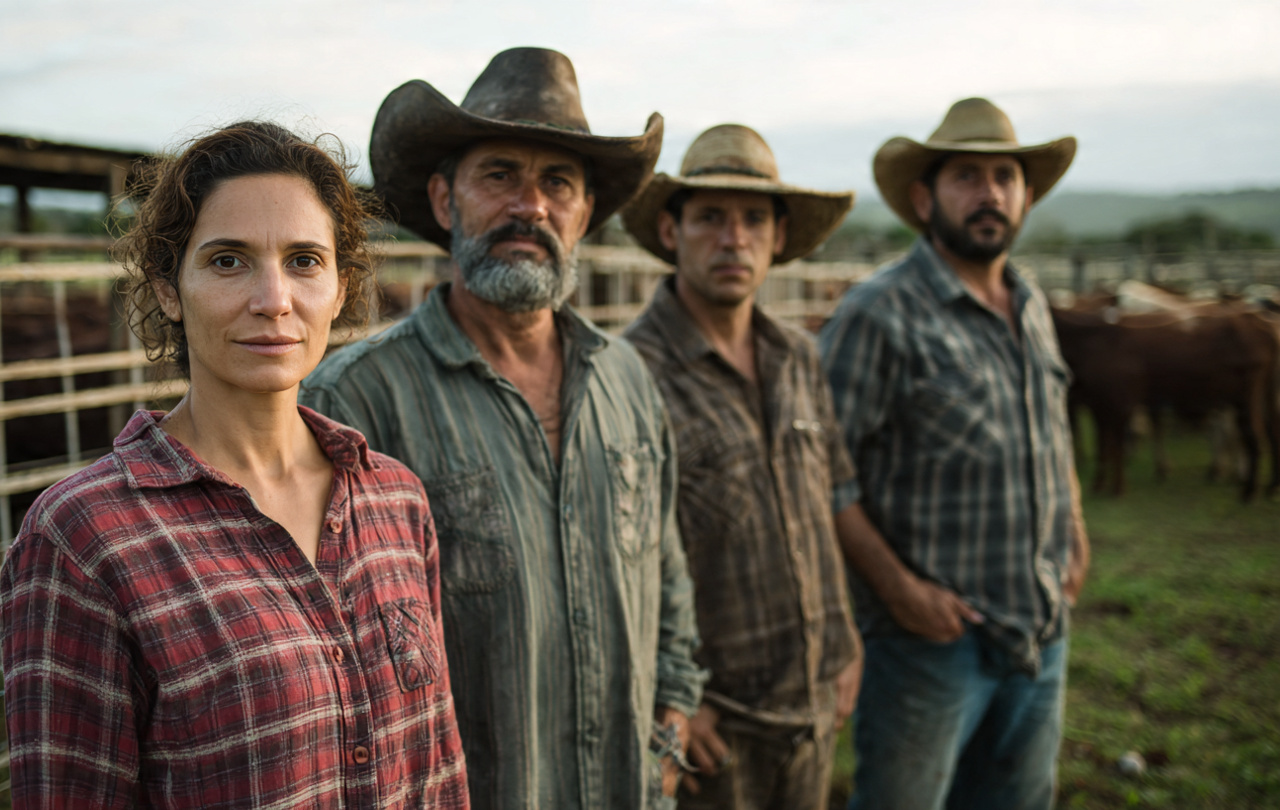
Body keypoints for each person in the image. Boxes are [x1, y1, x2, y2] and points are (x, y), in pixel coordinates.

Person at [0, 122, 468, 808]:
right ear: (166, 287)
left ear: (339, 288)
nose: (273, 299)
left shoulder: (395, 499)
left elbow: (440, 767)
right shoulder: (84, 540)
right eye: (227, 261)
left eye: (305, 260)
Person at [301, 48, 706, 810]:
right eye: (499, 176)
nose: (531, 207)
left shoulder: (627, 380)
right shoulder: (355, 404)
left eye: (558, 182)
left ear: (586, 213)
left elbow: (668, 575)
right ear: (445, 200)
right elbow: (319, 664)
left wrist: (669, 730)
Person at [818, 98, 1091, 809]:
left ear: (1026, 195)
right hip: (930, 647)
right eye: (966, 176)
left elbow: (1049, 428)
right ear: (923, 197)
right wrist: (900, 590)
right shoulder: (878, 312)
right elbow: (822, 473)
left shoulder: (1029, 303)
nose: (990, 193)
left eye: (1005, 176)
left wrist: (1077, 531)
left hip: (1040, 628)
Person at [622, 124, 862, 810]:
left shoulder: (797, 357)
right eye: (710, 218)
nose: (734, 239)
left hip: (813, 708)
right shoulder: (631, 374)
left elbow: (825, 505)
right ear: (671, 231)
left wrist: (844, 641)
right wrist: (672, 702)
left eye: (755, 219)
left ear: (780, 237)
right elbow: (619, 562)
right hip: (714, 726)